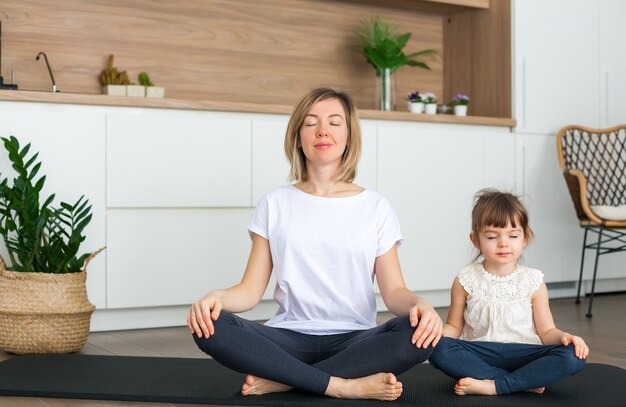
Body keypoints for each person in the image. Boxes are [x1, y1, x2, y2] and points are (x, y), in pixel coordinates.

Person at [187, 87, 443, 401]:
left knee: (420, 333)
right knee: (211, 325)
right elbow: (251, 290)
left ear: (349, 136)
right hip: (287, 336)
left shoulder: (376, 206)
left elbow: (394, 294)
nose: (322, 130)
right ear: (298, 137)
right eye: (311, 123)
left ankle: (286, 379)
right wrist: (217, 297)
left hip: (355, 339)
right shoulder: (276, 202)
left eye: (335, 122)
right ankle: (342, 385)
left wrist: (422, 305)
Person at [429, 188, 588, 396]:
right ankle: (522, 381)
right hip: (480, 353)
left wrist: (565, 337)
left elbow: (547, 332)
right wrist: (434, 336)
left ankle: (494, 385)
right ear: (475, 240)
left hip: (524, 353)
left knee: (574, 356)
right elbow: (454, 327)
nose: (504, 243)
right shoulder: (464, 280)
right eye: (492, 236)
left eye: (513, 235)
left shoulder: (534, 281)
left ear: (524, 238)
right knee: (437, 350)